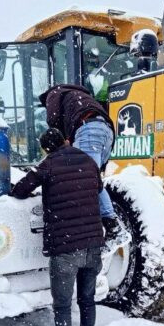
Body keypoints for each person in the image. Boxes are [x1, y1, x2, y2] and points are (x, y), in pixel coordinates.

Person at [10, 128, 104, 326]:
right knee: (87, 301)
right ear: (66, 140)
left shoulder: (47, 164)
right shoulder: (88, 160)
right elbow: (98, 187)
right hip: (94, 243)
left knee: (62, 307)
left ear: (46, 149)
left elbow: (19, 190)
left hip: (65, 248)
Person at [39, 84, 127, 245]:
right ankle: (102, 227)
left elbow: (53, 122)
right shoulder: (81, 96)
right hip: (106, 130)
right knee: (92, 179)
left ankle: (113, 227)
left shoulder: (54, 94)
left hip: (89, 130)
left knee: (87, 181)